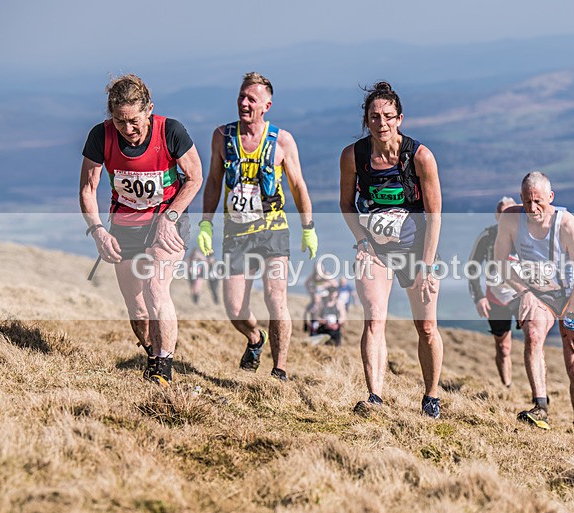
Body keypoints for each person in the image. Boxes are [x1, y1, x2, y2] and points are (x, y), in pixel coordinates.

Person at [79, 74, 203, 387]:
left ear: (148, 110)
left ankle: (164, 366)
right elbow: (87, 188)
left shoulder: (170, 131)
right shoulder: (101, 136)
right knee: (136, 306)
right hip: (124, 225)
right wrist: (98, 232)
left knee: (155, 289)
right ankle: (152, 353)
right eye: (120, 122)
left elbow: (195, 177)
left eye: (134, 121)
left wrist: (170, 215)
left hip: (167, 223)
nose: (129, 129)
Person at [198, 72, 317, 382]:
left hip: (273, 231)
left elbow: (298, 184)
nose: (244, 103)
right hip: (236, 234)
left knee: (276, 300)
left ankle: (280, 370)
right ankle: (255, 339)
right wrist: (206, 225)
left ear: (267, 105)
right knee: (235, 308)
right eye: (241, 96)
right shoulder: (222, 136)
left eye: (251, 99)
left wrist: (308, 227)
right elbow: (213, 181)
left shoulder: (282, 140)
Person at [340, 81, 444, 418]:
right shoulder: (353, 156)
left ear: (399, 118)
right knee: (374, 320)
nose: (381, 123)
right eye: (374, 116)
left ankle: (431, 396)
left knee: (426, 327)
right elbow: (346, 205)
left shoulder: (420, 157)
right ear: (366, 120)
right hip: (376, 250)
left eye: (387, 116)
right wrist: (362, 240)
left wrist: (427, 264)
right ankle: (375, 397)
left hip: (417, 248)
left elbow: (434, 213)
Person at [494, 171, 574, 429]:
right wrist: (523, 292)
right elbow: (500, 264)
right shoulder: (511, 219)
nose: (533, 207)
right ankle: (541, 407)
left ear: (551, 197)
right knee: (533, 336)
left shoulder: (568, 225)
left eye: (539, 201)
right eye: (527, 201)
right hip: (538, 293)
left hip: (572, 294)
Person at [467, 196, 519, 388]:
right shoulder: (487, 236)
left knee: (534, 340)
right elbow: (472, 267)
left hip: (524, 297)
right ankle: (508, 387)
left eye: (511, 213)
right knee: (504, 347)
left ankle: (537, 395)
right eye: (503, 214)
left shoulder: (528, 234)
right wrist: (479, 297)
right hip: (496, 298)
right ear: (497, 216)